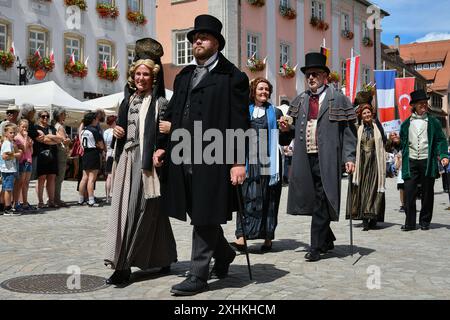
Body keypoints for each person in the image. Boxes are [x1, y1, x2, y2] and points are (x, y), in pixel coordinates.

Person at [153, 14, 249, 296]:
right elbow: (170, 113)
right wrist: (161, 144)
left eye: (203, 38)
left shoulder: (233, 77)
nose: (197, 42)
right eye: (194, 38)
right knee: (198, 211)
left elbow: (239, 122)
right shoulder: (184, 76)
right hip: (182, 154)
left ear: (216, 43)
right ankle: (225, 253)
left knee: (206, 212)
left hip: (215, 155)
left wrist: (239, 161)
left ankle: (198, 275)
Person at [104, 37, 177, 285]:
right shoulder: (127, 101)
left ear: (153, 77)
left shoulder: (161, 104)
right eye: (137, 74)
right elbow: (122, 129)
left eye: (145, 74)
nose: (140, 78)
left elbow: (170, 134)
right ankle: (159, 257)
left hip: (148, 165)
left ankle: (123, 265)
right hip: (127, 160)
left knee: (143, 211)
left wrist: (168, 136)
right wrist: (117, 132)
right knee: (134, 211)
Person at [279, 52, 357, 262]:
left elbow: (349, 132)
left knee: (323, 199)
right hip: (305, 159)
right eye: (308, 75)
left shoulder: (338, 98)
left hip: (328, 159)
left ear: (324, 76)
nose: (311, 78)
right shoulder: (302, 99)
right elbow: (293, 129)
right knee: (314, 201)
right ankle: (327, 239)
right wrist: (287, 126)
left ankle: (315, 247)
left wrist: (349, 157)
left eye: (315, 74)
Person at [230, 77, 283, 253]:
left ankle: (267, 239)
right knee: (246, 197)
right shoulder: (245, 111)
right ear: (253, 91)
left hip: (269, 160)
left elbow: (283, 139)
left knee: (269, 198)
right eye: (261, 89)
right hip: (248, 160)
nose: (264, 92)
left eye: (267, 90)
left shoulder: (275, 113)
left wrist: (285, 130)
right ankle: (241, 238)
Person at [399, 89, 449, 231]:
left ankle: (425, 221)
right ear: (413, 105)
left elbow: (441, 140)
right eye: (421, 103)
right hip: (411, 161)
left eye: (425, 103)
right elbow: (403, 144)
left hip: (428, 161)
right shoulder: (405, 124)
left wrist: (444, 155)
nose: (424, 105)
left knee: (428, 193)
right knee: (409, 192)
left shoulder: (434, 122)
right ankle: (409, 222)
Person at [346, 91, 386, 231]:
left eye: (369, 111)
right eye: (364, 112)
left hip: (375, 163)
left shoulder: (377, 126)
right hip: (362, 163)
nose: (367, 114)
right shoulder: (358, 127)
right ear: (361, 115)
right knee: (362, 190)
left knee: (374, 189)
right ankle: (364, 219)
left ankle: (373, 217)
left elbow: (384, 142)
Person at [35, 110, 62, 208]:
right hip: (42, 155)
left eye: (47, 116)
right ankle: (40, 201)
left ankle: (51, 201)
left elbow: (60, 139)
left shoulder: (51, 128)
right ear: (39, 117)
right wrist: (53, 140)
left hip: (53, 155)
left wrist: (50, 136)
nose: (45, 118)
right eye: (43, 116)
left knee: (52, 178)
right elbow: (43, 140)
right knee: (41, 178)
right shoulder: (36, 128)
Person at [78, 112, 104, 207]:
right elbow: (100, 144)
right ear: (93, 120)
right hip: (93, 153)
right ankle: (91, 200)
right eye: (97, 119)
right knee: (91, 179)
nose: (98, 121)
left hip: (85, 153)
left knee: (84, 178)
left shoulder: (83, 130)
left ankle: (81, 199)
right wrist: (101, 148)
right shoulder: (94, 130)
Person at [13, 119, 35, 212]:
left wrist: (31, 145)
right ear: (19, 127)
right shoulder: (17, 138)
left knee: (26, 183)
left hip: (29, 161)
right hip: (22, 162)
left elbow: (31, 152)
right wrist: (26, 139)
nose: (25, 129)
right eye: (23, 127)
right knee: (19, 183)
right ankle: (16, 202)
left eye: (26, 127)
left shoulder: (28, 137)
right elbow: (24, 150)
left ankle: (25, 203)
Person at [1, 124, 22, 216]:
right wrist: (16, 154)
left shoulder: (9, 143)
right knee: (8, 189)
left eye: (14, 133)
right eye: (10, 133)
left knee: (6, 188)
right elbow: (5, 156)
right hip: (8, 170)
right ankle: (7, 208)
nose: (13, 134)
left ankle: (3, 206)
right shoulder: (7, 143)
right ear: (5, 133)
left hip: (7, 169)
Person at [53, 107, 71, 207]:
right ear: (60, 115)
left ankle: (55, 198)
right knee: (59, 177)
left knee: (58, 177)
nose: (65, 116)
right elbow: (64, 140)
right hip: (61, 153)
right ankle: (56, 199)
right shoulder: (59, 127)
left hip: (59, 153)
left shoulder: (56, 125)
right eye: (64, 114)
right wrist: (68, 139)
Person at [386, 131, 404, 212]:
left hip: (408, 166)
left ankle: (409, 203)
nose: (394, 136)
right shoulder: (390, 146)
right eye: (391, 135)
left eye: (395, 134)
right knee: (401, 187)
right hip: (399, 169)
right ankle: (403, 205)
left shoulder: (404, 142)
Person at [103, 115, 117, 204]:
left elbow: (104, 145)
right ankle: (112, 196)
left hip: (108, 154)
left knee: (108, 177)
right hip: (114, 154)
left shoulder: (106, 132)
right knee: (113, 177)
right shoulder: (115, 131)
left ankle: (107, 196)